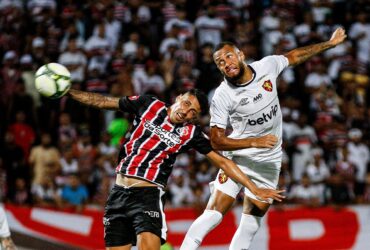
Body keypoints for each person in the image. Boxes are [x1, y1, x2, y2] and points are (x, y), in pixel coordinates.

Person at [181, 27, 347, 250]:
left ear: (240, 54)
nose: (225, 63)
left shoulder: (266, 66)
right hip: (239, 156)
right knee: (213, 214)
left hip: (269, 159)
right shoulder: (223, 95)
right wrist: (253, 142)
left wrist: (329, 44)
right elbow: (217, 141)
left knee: (250, 225)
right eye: (219, 62)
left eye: (228, 56)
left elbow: (294, 56)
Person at [66, 88, 285, 250]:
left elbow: (224, 162)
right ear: (179, 97)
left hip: (147, 195)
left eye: (194, 112)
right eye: (187, 104)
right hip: (117, 194)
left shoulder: (191, 133)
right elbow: (104, 101)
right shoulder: (148, 104)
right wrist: (69, 92)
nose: (187, 112)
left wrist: (253, 188)